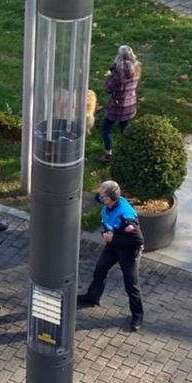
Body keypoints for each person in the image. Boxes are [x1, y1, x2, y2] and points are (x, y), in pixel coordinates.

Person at [77, 180, 145, 331]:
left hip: (128, 252)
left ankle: (137, 315)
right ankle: (92, 297)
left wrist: (113, 238)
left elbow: (137, 240)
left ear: (110, 198)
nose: (99, 197)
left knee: (131, 286)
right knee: (100, 270)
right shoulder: (108, 204)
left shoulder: (126, 216)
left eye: (102, 195)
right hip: (112, 246)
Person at [99, 45, 141, 163]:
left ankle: (108, 154)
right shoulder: (137, 68)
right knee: (124, 129)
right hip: (131, 103)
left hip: (117, 105)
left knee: (106, 129)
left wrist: (110, 75)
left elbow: (108, 89)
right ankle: (127, 151)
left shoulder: (118, 73)